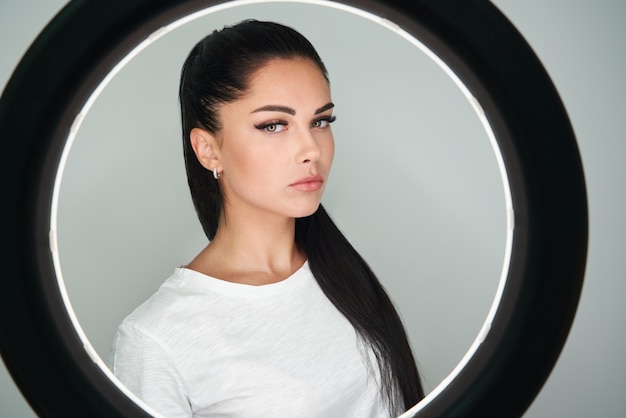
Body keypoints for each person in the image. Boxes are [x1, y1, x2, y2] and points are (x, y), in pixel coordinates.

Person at [109, 19, 424, 417]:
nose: (311, 149)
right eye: (274, 125)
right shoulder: (155, 339)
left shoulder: (339, 271)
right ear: (208, 150)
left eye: (320, 121)